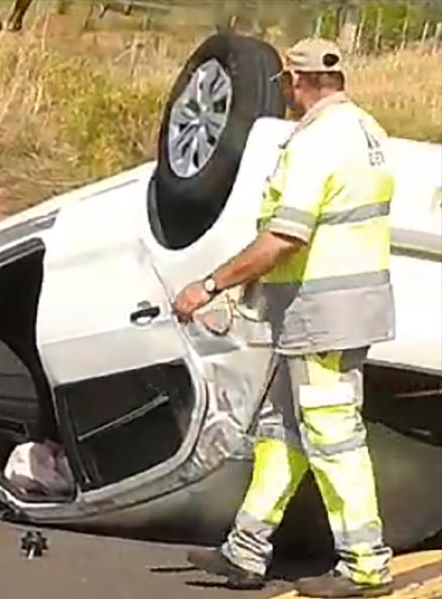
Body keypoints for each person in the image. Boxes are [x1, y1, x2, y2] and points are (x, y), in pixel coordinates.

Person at [173, 38, 396, 598]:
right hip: (331, 309)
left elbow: (285, 236)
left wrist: (211, 283)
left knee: (333, 434)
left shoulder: (319, 142)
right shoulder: (366, 130)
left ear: (296, 83)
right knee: (283, 431)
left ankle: (366, 565)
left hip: (326, 314)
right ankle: (246, 550)